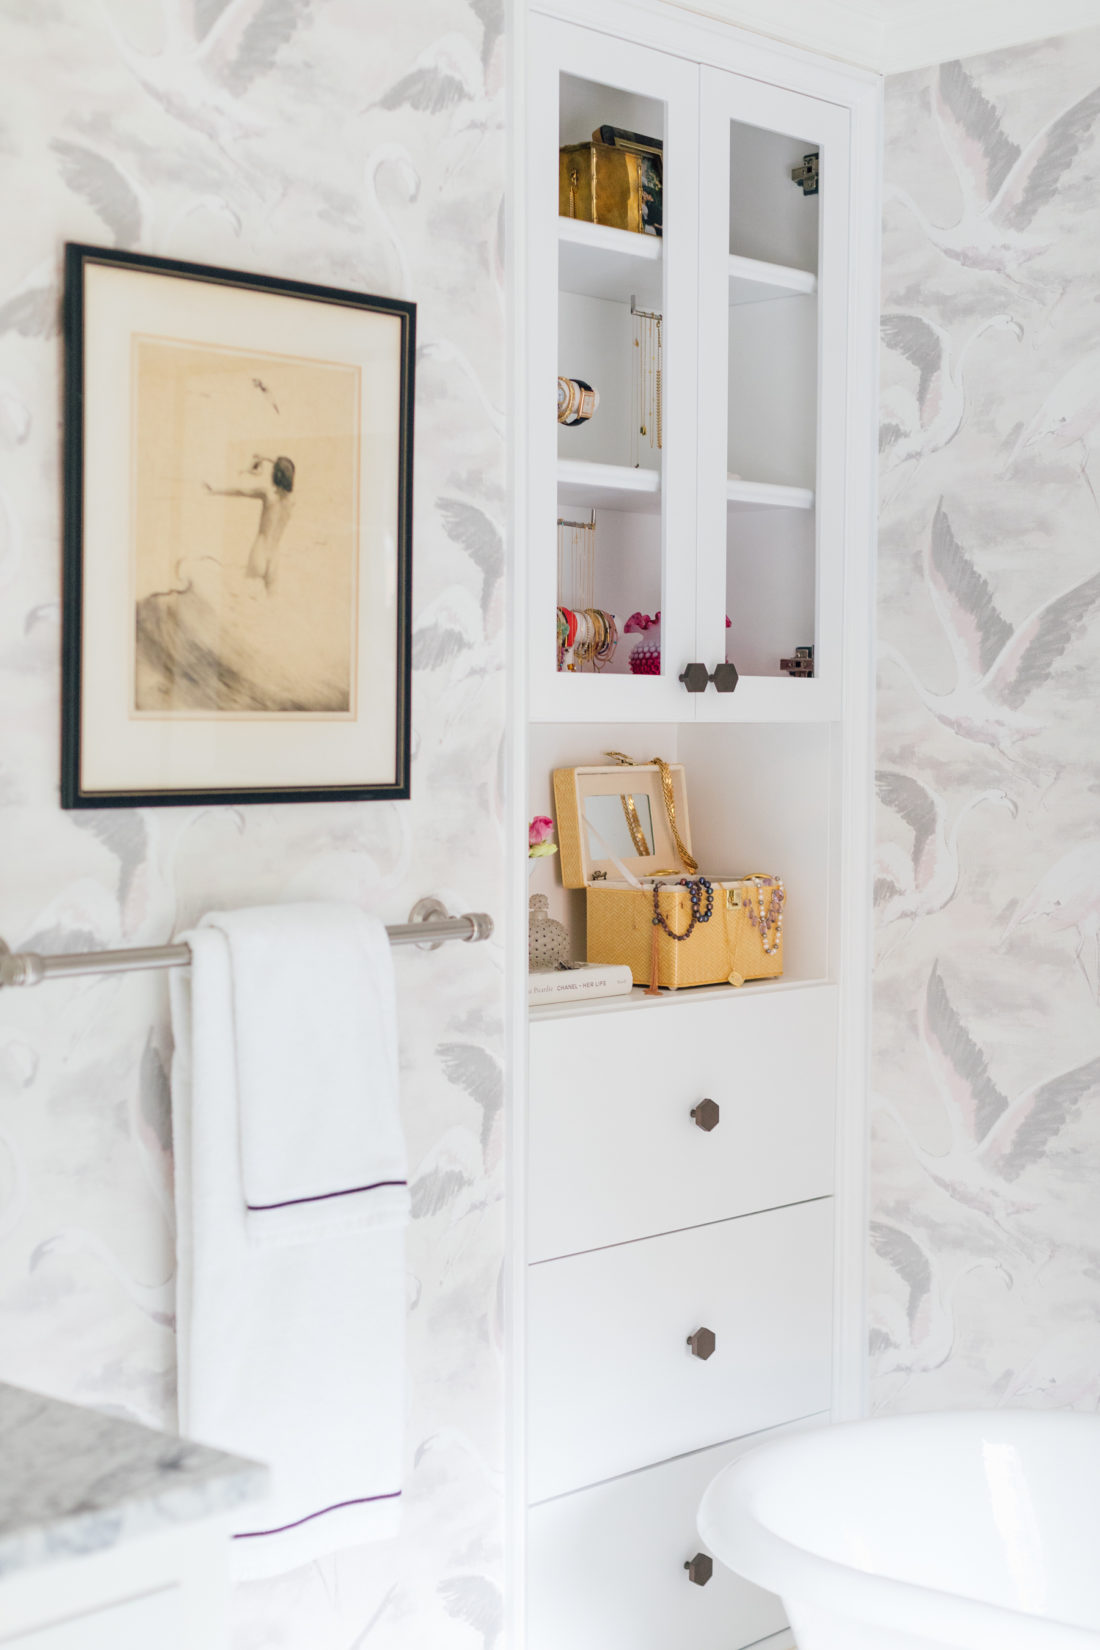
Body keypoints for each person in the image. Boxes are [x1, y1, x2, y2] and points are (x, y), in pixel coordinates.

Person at [203, 453, 295, 592]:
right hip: (275, 557)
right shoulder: (292, 501)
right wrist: (267, 458)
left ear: (275, 474)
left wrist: (214, 490)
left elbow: (240, 490)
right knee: (271, 602)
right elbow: (288, 466)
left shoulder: (267, 493)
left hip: (260, 552)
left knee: (247, 597)